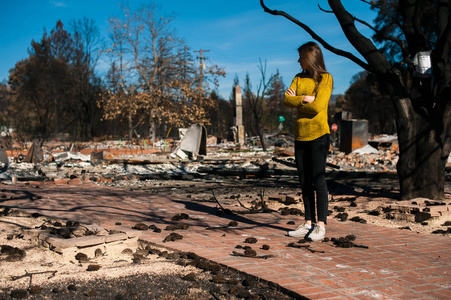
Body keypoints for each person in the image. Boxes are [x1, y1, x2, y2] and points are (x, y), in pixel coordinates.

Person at [283, 41, 333, 242]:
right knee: (304, 181)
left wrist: (299, 100)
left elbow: (317, 107)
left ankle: (321, 226)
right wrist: (305, 98)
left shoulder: (325, 78)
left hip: (319, 135)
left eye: (300, 57)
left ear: (310, 58)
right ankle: (308, 223)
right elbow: (287, 100)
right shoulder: (298, 77)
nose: (297, 60)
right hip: (300, 136)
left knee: (318, 179)